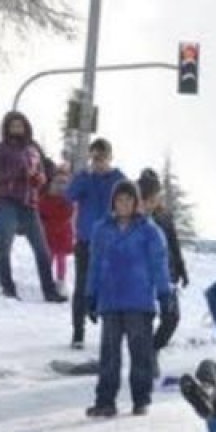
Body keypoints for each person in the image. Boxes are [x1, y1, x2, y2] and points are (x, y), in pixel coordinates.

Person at [84, 181, 173, 418]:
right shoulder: (102, 229)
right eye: (119, 200)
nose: (123, 205)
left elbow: (159, 265)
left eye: (128, 200)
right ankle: (105, 400)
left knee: (140, 353)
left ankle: (141, 398)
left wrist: (165, 295)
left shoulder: (149, 231)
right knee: (109, 355)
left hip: (139, 300)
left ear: (136, 203)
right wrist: (90, 295)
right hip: (111, 299)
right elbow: (94, 264)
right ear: (113, 203)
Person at [0, 111, 64, 302]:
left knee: (42, 248)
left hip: (30, 202)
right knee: (5, 245)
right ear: (7, 128)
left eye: (20, 126)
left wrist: (41, 178)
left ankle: (49, 290)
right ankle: (8, 287)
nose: (17, 130)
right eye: (13, 126)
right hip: (8, 200)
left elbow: (43, 173)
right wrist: (17, 172)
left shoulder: (33, 148)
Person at [66, 138, 127, 349]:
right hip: (85, 241)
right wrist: (81, 177)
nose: (98, 163)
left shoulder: (118, 179)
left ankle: (110, 332)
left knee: (109, 286)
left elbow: (129, 203)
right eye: (94, 159)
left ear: (109, 158)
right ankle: (78, 333)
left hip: (111, 243)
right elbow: (69, 195)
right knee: (81, 286)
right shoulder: (85, 178)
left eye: (101, 158)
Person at [135, 169, 188, 358]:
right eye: (145, 199)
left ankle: (152, 349)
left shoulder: (164, 216)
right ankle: (144, 356)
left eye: (153, 198)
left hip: (167, 275)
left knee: (172, 318)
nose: (150, 203)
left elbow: (174, 243)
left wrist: (181, 268)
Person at [38, 160, 75, 292]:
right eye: (58, 183)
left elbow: (70, 213)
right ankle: (48, 279)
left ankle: (60, 280)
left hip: (63, 232)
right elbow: (40, 210)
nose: (61, 186)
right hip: (50, 231)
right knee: (50, 256)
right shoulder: (46, 198)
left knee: (61, 258)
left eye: (64, 183)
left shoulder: (68, 200)